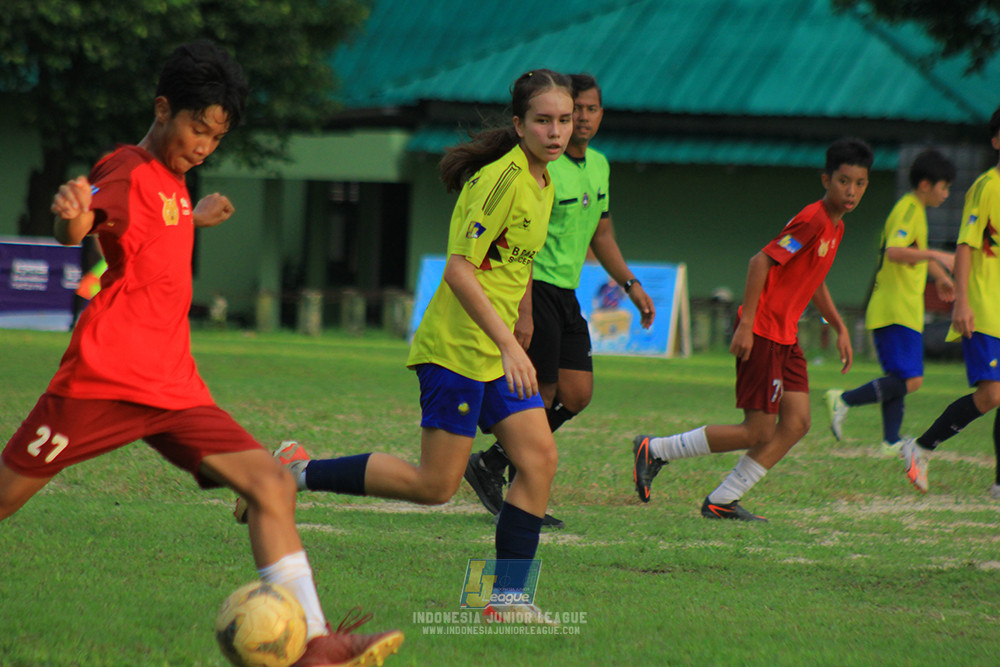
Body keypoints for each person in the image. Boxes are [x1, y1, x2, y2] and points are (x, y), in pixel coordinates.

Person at [0, 41, 403, 666]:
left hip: (173, 387)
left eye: (216, 138)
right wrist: (71, 222)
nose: (204, 147)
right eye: (197, 130)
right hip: (103, 382)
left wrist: (193, 217)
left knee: (271, 485)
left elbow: (154, 232)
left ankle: (315, 646)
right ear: (163, 109)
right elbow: (87, 225)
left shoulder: (177, 184)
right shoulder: (128, 170)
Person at [236, 70, 575, 621]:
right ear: (519, 125)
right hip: (457, 350)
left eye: (564, 120)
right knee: (434, 486)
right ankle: (295, 471)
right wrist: (508, 346)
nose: (556, 131)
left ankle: (507, 600)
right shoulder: (499, 180)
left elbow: (519, 256)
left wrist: (525, 317)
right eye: (543, 120)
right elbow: (460, 271)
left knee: (539, 459)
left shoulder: (545, 180)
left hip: (495, 348)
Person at [632, 138, 875, 521]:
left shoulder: (835, 228)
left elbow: (814, 280)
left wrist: (840, 326)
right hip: (762, 332)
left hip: (786, 336)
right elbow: (759, 262)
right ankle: (656, 449)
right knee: (757, 431)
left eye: (860, 183)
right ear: (826, 179)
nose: (851, 191)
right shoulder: (813, 219)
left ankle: (723, 499)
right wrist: (745, 326)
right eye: (844, 181)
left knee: (796, 422)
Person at [463, 73, 656, 529]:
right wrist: (524, 308)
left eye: (586, 111)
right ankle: (520, 496)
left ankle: (491, 464)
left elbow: (602, 234)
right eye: (572, 112)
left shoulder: (600, 166)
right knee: (540, 393)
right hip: (537, 287)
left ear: (598, 115)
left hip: (567, 292)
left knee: (577, 394)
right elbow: (520, 244)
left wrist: (631, 284)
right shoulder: (540, 169)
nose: (579, 120)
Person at [895, 106, 1000, 498]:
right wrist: (962, 301)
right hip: (985, 306)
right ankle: (920, 447)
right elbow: (966, 244)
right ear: (995, 140)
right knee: (991, 394)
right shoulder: (986, 186)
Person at [825, 149, 956, 454]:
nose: (947, 194)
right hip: (894, 308)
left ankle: (891, 441)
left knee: (900, 378)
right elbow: (895, 252)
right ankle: (843, 399)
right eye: (944, 186)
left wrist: (938, 275)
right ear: (926, 184)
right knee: (912, 380)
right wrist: (936, 255)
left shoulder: (916, 211)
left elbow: (912, 251)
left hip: (904, 309)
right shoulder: (908, 209)